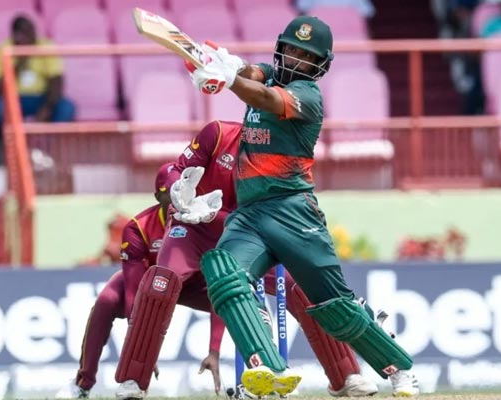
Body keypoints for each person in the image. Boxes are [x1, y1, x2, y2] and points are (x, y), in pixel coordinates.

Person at [182, 16, 420, 397]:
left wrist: (227, 81)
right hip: (249, 215)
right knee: (223, 273)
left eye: (305, 57)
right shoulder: (267, 74)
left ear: (318, 66)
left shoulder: (308, 97)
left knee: (334, 306)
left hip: (294, 212)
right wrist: (216, 60)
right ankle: (269, 369)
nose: (294, 60)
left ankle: (399, 368)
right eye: (290, 49)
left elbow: (261, 97)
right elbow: (249, 73)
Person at [115, 121, 378, 399]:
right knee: (160, 283)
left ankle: (346, 376)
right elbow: (177, 170)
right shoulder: (217, 134)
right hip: (192, 229)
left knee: (303, 287)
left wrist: (220, 216)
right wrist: (182, 194)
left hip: (245, 235)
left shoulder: (284, 156)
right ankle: (133, 380)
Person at [68, 163, 223, 398]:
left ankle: (259, 373)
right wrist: (141, 351)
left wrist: (214, 351)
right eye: (170, 193)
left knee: (236, 295)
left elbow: (220, 283)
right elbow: (133, 292)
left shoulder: (204, 220)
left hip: (192, 284)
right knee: (107, 299)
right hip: (148, 286)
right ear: (157, 196)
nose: (177, 200)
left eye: (182, 191)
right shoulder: (138, 228)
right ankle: (83, 383)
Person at [0, 15, 75, 123]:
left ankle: (50, 139)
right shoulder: (0, 50)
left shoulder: (46, 46)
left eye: (32, 32)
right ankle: (17, 139)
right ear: (15, 35)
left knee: (66, 107)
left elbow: (57, 81)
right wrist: (20, 61)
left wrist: (47, 107)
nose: (32, 37)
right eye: (26, 34)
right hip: (14, 99)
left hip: (42, 97)